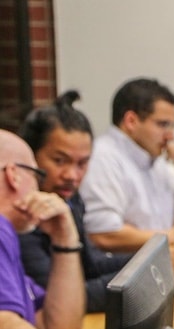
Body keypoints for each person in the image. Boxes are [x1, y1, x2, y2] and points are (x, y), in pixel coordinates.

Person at [18, 91, 131, 313]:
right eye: (60, 161)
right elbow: (60, 300)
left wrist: (149, 261)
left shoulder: (68, 197)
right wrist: (141, 282)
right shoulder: (19, 215)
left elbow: (89, 264)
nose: (72, 175)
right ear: (30, 156)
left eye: (82, 164)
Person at [0, 129, 85, 329]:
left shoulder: (8, 235)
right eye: (36, 176)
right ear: (14, 175)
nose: (39, 188)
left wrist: (65, 240)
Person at [80, 77, 174, 255]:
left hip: (157, 267)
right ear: (131, 121)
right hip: (121, 274)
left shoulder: (154, 158)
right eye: (162, 125)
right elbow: (104, 234)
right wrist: (173, 237)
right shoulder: (102, 158)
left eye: (172, 127)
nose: (170, 136)